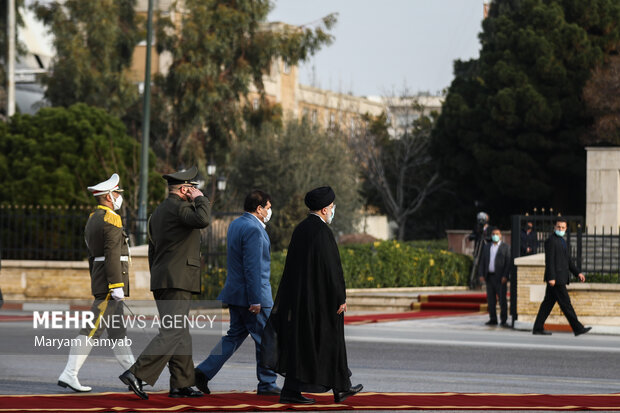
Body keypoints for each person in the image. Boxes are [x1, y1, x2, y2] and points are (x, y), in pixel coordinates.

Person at [261, 186, 363, 405]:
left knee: (305, 343)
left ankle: (338, 387)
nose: (334, 210)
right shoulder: (322, 232)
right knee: (328, 341)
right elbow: (331, 269)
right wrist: (340, 297)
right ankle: (337, 388)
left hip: (301, 300)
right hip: (321, 301)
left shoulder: (301, 229)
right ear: (325, 209)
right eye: (333, 207)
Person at [120, 166, 210, 399]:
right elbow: (203, 219)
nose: (195, 191)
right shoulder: (180, 208)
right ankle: (136, 373)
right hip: (177, 279)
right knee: (173, 331)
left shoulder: (159, 211)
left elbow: (154, 250)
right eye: (192, 188)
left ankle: (181, 384)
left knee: (181, 331)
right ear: (184, 189)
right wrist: (201, 199)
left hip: (165, 278)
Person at [194, 190, 280, 396]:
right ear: (259, 209)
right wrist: (256, 299)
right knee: (266, 339)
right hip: (252, 296)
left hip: (235, 294)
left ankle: (202, 373)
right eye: (268, 207)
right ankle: (267, 384)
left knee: (233, 337)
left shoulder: (236, 224)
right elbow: (252, 267)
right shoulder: (254, 229)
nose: (270, 211)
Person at [58, 173, 135, 392]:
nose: (120, 196)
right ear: (109, 196)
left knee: (118, 333)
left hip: (103, 282)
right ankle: (69, 373)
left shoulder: (93, 218)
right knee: (92, 330)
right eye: (117, 193)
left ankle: (133, 374)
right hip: (110, 286)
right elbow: (112, 254)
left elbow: (93, 257)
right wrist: (115, 285)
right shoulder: (111, 218)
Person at [532, 218, 591, 336]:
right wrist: (551, 277)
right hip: (556, 280)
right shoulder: (551, 241)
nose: (561, 229)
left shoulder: (562, 241)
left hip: (559, 278)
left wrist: (577, 273)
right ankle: (578, 328)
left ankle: (537, 328)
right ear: (554, 227)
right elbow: (549, 261)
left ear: (566, 228)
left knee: (547, 304)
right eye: (559, 227)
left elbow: (567, 261)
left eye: (563, 228)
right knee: (566, 304)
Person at [478, 227, 510, 327]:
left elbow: (508, 263)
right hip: (489, 276)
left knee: (502, 300)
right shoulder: (487, 247)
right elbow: (482, 261)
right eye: (493, 234)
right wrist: (481, 274)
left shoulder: (505, 247)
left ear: (500, 235)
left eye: (497, 234)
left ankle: (503, 320)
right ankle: (493, 319)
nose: (495, 236)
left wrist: (505, 275)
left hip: (500, 277)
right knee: (491, 300)